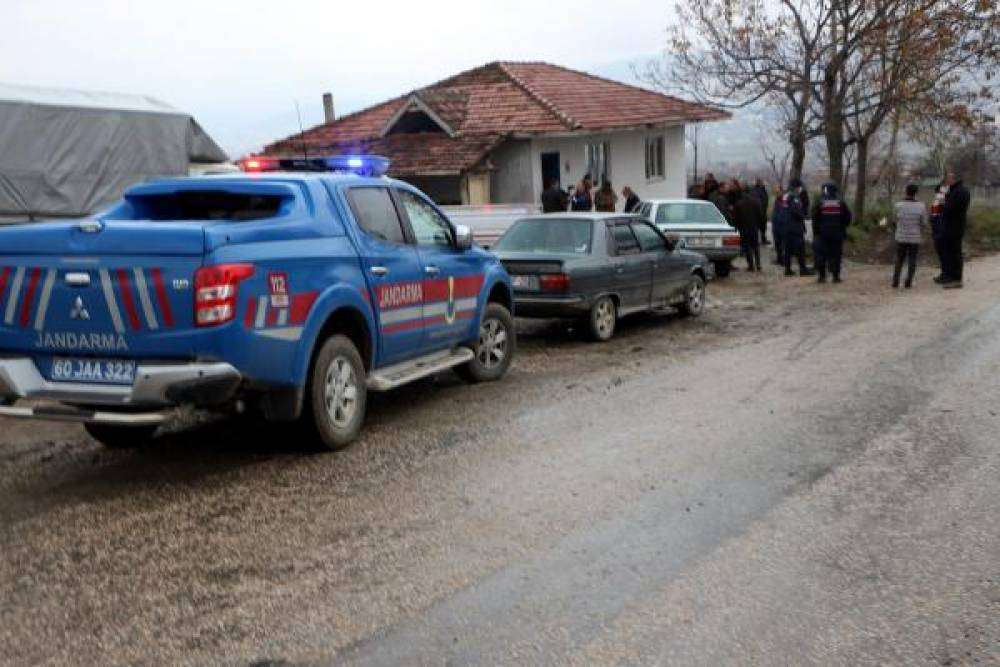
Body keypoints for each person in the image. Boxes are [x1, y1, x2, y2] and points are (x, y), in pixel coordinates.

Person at [811, 182, 852, 284]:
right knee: (836, 254)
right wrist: (843, 227)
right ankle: (835, 276)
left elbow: (815, 218)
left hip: (822, 233)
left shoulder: (820, 202)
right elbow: (848, 217)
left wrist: (816, 231)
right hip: (837, 233)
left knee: (821, 254)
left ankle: (822, 277)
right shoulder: (841, 202)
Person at [937, 172, 971, 288]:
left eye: (947, 180)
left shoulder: (960, 192)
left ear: (953, 179)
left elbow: (948, 208)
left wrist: (942, 201)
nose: (946, 182)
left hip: (954, 227)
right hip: (951, 226)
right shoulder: (955, 190)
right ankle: (949, 276)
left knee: (955, 253)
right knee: (950, 252)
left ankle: (956, 279)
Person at [891, 183, 927, 289]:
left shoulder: (898, 205)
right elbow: (924, 223)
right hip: (915, 238)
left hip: (901, 237)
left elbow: (894, 220)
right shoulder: (921, 206)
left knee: (899, 259)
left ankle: (895, 281)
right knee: (912, 260)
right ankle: (908, 282)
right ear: (916, 193)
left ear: (906, 191)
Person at [781, 178, 815, 277]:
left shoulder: (785, 196)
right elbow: (796, 211)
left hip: (786, 226)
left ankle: (787, 269)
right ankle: (803, 269)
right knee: (800, 249)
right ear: (796, 187)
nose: (800, 189)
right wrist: (804, 215)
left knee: (787, 249)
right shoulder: (794, 197)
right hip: (795, 227)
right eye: (799, 187)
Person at [732, 185, 763, 271]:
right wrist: (758, 225)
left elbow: (736, 218)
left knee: (747, 247)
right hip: (754, 227)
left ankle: (751, 265)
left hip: (744, 228)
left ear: (743, 193)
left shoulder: (739, 203)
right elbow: (760, 215)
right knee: (756, 246)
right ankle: (758, 264)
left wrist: (736, 227)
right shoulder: (756, 202)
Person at [929, 183, 947, 282]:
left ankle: (945, 274)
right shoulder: (949, 200)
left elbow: (933, 217)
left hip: (939, 232)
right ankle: (947, 274)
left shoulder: (937, 202)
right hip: (947, 231)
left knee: (943, 254)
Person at [752, 177, 770, 244]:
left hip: (761, 211)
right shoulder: (757, 191)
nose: (763, 183)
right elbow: (760, 201)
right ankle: (760, 240)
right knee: (761, 227)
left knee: (762, 227)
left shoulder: (760, 190)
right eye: (762, 182)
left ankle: (761, 240)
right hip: (760, 212)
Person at [771, 184, 786, 265]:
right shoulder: (777, 200)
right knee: (777, 243)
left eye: (778, 191)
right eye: (776, 191)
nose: (776, 192)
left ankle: (783, 260)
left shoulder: (784, 200)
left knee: (782, 244)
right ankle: (779, 258)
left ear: (781, 191)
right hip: (776, 226)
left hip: (782, 226)